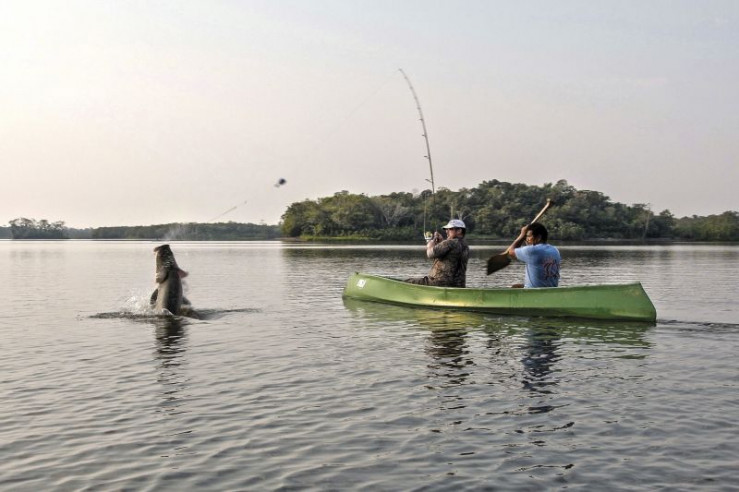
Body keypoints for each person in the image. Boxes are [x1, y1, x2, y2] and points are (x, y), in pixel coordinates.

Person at [406, 219, 470, 287]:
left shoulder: (449, 243)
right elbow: (449, 254)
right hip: (458, 285)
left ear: (459, 230)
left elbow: (430, 254)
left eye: (450, 229)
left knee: (409, 281)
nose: (447, 231)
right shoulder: (465, 246)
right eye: (446, 229)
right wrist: (441, 242)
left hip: (439, 282)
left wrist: (430, 244)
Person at [507, 222, 560, 288]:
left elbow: (510, 252)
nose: (526, 239)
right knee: (515, 286)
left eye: (528, 236)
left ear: (538, 237)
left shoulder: (533, 251)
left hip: (535, 292)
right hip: (551, 289)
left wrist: (522, 235)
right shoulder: (555, 250)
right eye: (525, 237)